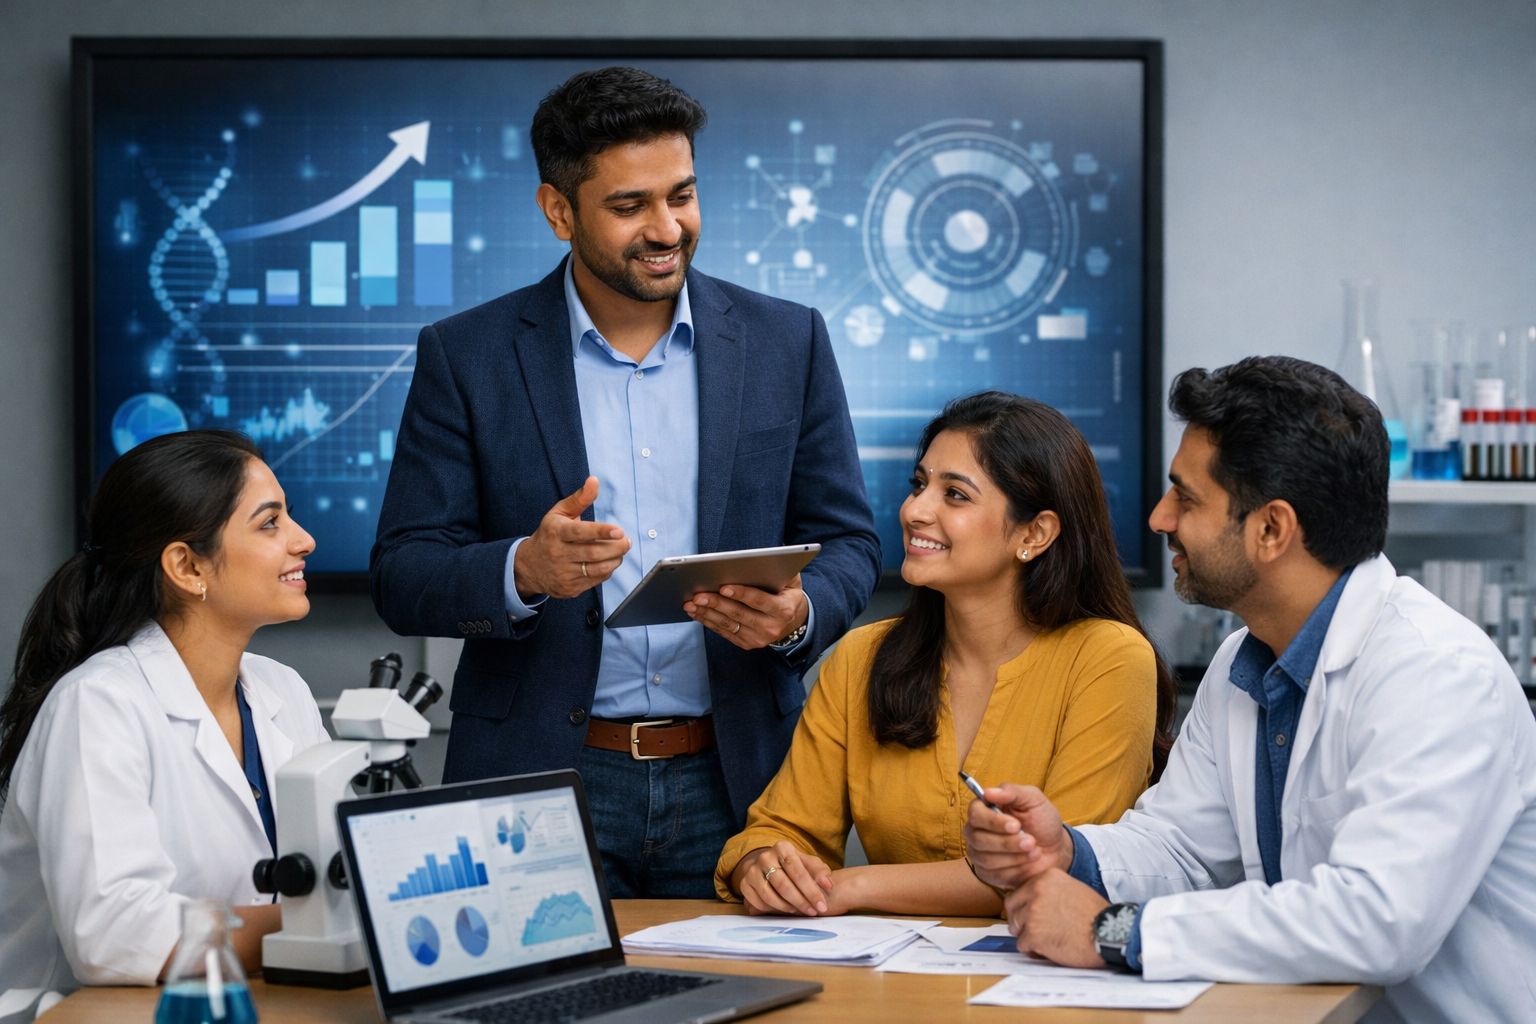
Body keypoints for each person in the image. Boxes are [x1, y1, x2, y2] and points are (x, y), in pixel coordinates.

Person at [370, 66, 879, 898]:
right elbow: (403, 568)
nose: (667, 227)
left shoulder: (789, 342)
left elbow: (852, 541)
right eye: (629, 205)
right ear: (557, 210)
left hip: (741, 779)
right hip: (537, 776)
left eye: (681, 194)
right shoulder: (467, 355)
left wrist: (799, 615)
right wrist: (521, 572)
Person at [964, 357, 1536, 1022]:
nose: (1158, 518)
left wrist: (1116, 931)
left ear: (1271, 530)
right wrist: (1067, 849)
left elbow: (1376, 921)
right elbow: (1183, 847)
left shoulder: (1437, 674)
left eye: (1186, 498)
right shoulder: (1248, 656)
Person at [714, 392, 1177, 917]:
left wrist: (851, 887)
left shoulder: (1111, 660)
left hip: (1045, 979)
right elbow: (782, 828)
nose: (914, 510)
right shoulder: (862, 657)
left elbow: (1053, 869)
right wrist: (765, 867)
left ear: (1035, 533)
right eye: (919, 484)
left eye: (954, 494)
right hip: (889, 983)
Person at [0, 430, 327, 1012]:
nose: (305, 541)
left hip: (240, 1000)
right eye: (269, 523)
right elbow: (113, 934)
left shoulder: (283, 690)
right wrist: (309, 926)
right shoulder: (96, 704)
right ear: (186, 566)